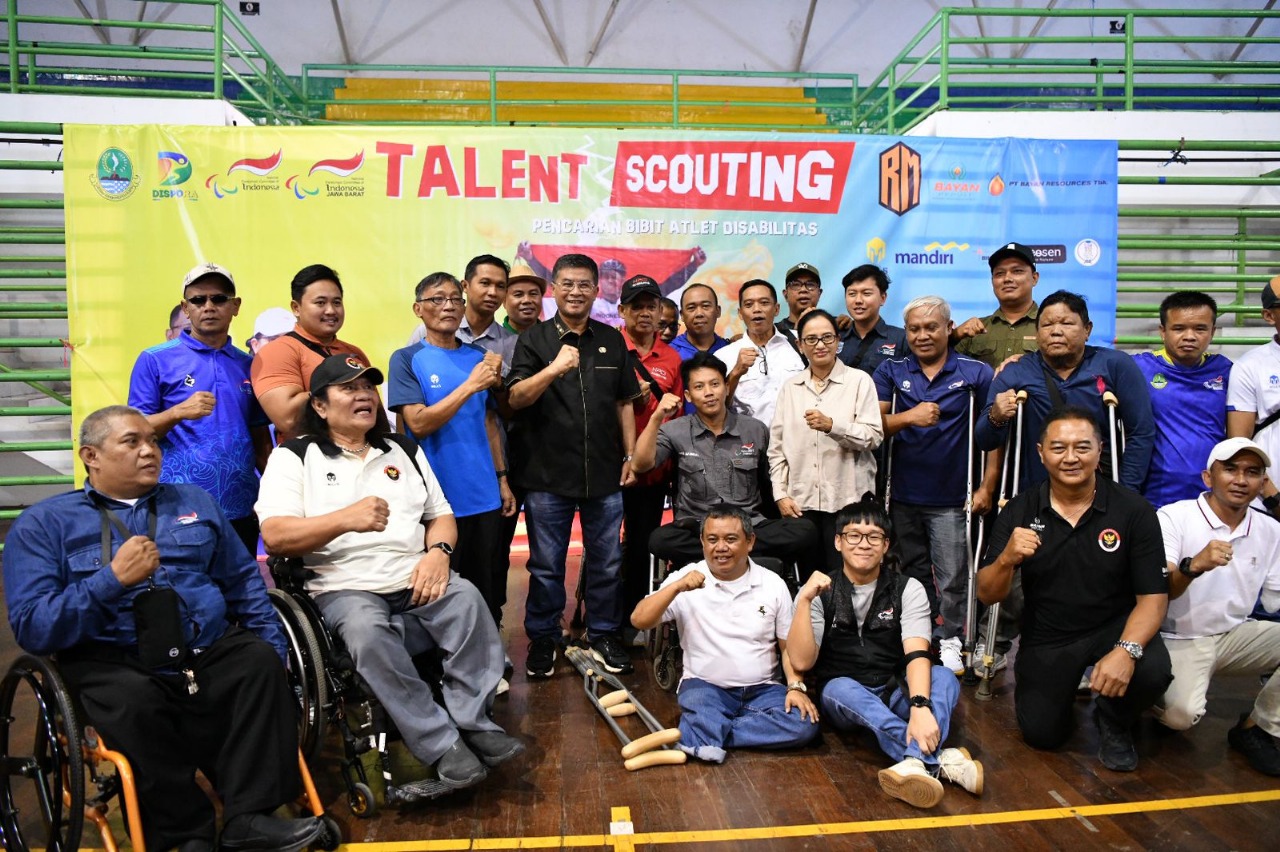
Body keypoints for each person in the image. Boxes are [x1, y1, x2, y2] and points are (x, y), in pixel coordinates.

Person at [4, 406, 321, 852]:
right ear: (91, 456)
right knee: (133, 702)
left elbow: (242, 582)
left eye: (152, 441)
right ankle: (182, 833)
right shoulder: (45, 524)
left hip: (204, 646)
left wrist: (275, 648)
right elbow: (34, 627)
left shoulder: (194, 501)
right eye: (131, 442)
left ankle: (250, 817)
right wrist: (111, 581)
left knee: (258, 664)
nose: (149, 451)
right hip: (114, 658)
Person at [256, 356, 523, 793]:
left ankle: (474, 723)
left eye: (368, 387)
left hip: (413, 573)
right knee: (366, 632)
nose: (363, 395)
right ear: (320, 405)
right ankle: (440, 742)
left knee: (469, 601)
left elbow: (441, 515)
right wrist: (344, 519)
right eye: (348, 388)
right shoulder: (294, 456)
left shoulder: (402, 449)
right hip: (344, 585)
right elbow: (276, 535)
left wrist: (438, 552)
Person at [977, 406, 1172, 771]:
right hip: (1049, 633)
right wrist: (1006, 559)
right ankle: (1062, 696)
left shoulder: (1134, 510)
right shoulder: (1020, 509)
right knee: (1042, 734)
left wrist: (1126, 652)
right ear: (1041, 453)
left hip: (1114, 626)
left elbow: (1153, 599)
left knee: (1153, 671)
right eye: (1059, 448)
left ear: (1100, 450)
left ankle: (1114, 718)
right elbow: (988, 594)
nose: (1071, 458)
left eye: (1082, 447)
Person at [787, 497, 983, 808]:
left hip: (895, 688)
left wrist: (919, 705)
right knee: (840, 688)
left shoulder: (908, 588)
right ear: (838, 542)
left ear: (886, 544)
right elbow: (801, 661)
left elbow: (917, 653)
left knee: (944, 676)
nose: (863, 544)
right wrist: (805, 601)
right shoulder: (821, 590)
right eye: (854, 535)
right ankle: (935, 759)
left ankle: (915, 763)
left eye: (874, 536)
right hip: (844, 693)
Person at [506, 253, 642, 677]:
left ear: (597, 290)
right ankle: (544, 637)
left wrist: (630, 456)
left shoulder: (612, 339)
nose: (576, 292)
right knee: (546, 565)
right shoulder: (534, 340)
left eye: (584, 284)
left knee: (607, 561)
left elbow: (624, 403)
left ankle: (603, 634)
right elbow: (516, 398)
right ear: (554, 289)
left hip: (604, 472)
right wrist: (554, 368)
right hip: (547, 474)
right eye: (567, 283)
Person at [630, 506, 820, 763]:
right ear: (702, 542)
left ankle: (707, 733)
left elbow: (787, 647)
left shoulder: (772, 583)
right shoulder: (685, 579)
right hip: (705, 686)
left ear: (750, 542)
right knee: (700, 702)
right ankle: (711, 729)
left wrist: (795, 686)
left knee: (804, 724)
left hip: (763, 690)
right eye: (712, 539)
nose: (721, 547)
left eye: (731, 539)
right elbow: (639, 620)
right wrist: (675, 588)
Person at [872, 296, 997, 674]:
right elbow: (874, 427)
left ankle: (953, 638)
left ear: (949, 328)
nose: (922, 335)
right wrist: (910, 417)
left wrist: (988, 486)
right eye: (914, 329)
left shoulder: (976, 373)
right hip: (903, 495)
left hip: (953, 496)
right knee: (913, 574)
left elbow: (994, 432)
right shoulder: (891, 370)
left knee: (953, 575)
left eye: (931, 327)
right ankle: (922, 634)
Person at [388, 272, 516, 632]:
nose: (447, 306)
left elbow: (489, 421)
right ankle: (440, 656)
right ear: (418, 309)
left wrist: (502, 479)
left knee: (486, 587)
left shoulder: (480, 356)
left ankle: (488, 652)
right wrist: (470, 385)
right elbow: (418, 423)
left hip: (484, 494)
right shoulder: (406, 358)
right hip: (434, 500)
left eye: (454, 300)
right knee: (437, 590)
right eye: (436, 299)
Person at [1153, 437, 1280, 776]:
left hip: (1234, 635)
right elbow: (1160, 591)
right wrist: (1193, 566)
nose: (1241, 480)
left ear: (1262, 483)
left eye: (1252, 472)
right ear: (1208, 477)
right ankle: (1141, 697)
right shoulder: (1173, 516)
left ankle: (1256, 727)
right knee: (1180, 718)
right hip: (1176, 637)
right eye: (1230, 469)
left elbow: (1274, 601)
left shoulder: (1270, 529)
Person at [128, 262, 272, 556]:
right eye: (198, 300)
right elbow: (134, 433)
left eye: (219, 299)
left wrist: (275, 496)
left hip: (240, 507)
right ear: (186, 307)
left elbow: (260, 440)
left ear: (235, 306)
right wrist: (176, 412)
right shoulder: (154, 360)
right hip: (177, 509)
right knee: (183, 584)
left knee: (239, 584)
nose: (208, 307)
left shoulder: (249, 364)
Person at [634, 352, 820, 571]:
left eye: (715, 384)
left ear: (727, 387)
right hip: (697, 527)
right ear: (688, 396)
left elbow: (771, 479)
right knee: (659, 540)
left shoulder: (755, 429)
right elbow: (640, 465)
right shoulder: (675, 430)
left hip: (749, 524)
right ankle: (740, 552)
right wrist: (657, 416)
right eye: (699, 387)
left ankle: (728, 549)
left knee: (805, 530)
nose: (709, 392)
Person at [977, 290, 1154, 493]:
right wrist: (995, 417)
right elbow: (984, 440)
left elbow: (1141, 432)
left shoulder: (1114, 365)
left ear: (1087, 329)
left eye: (1067, 323)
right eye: (1047, 325)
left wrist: (1126, 492)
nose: (1056, 331)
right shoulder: (1016, 372)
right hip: (1037, 494)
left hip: (1100, 491)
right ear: (1037, 333)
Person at [768, 310, 883, 571]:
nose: (820, 345)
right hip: (801, 502)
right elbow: (777, 450)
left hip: (848, 500)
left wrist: (833, 426)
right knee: (811, 578)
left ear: (838, 341)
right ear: (800, 345)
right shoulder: (790, 388)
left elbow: (873, 436)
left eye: (827, 338)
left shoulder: (859, 381)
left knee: (848, 576)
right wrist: (780, 494)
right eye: (811, 339)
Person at [617, 275, 685, 621]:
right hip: (609, 467)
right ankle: (605, 620)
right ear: (622, 311)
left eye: (651, 307)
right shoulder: (608, 347)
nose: (645, 313)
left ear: (660, 311)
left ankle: (634, 617)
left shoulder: (672, 358)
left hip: (653, 471)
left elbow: (678, 416)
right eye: (637, 307)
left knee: (642, 543)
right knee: (604, 546)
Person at [251, 263, 371, 443]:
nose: (331, 310)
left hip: (363, 454)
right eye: (320, 303)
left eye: (337, 302)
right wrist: (340, 390)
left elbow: (375, 416)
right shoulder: (276, 351)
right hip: (310, 456)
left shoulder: (354, 353)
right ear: (296, 308)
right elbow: (288, 420)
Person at [1134, 291, 1231, 508]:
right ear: (1163, 331)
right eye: (1179, 328)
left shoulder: (1225, 370)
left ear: (1213, 331)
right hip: (1155, 496)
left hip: (1213, 496)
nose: (1189, 336)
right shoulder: (1139, 367)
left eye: (1200, 329)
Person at [716, 280, 805, 427]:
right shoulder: (724, 356)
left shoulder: (800, 343)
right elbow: (716, 410)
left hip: (796, 436)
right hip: (748, 439)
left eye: (764, 303)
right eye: (749, 304)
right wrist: (735, 373)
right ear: (740, 313)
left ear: (776, 309)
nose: (757, 309)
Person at [1226, 275, 1280, 511]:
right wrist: (1272, 498)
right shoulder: (1250, 366)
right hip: (1268, 505)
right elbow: (1240, 445)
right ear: (1269, 315)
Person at [954, 242, 1041, 368]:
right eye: (1000, 273)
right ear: (992, 281)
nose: (1007, 279)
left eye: (1017, 271)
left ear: (1034, 278)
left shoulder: (1051, 327)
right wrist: (955, 335)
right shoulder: (975, 330)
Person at [837, 264, 907, 377]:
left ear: (883, 298)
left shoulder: (902, 339)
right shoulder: (835, 336)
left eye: (866, 293)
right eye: (852, 294)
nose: (858, 300)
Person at [670, 282, 729, 361]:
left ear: (718, 311)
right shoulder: (669, 352)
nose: (699, 313)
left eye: (705, 306)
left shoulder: (731, 350)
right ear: (682, 315)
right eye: (691, 307)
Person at [777, 263, 823, 339]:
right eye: (796, 284)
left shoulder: (834, 326)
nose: (803, 290)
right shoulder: (774, 332)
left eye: (810, 284)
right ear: (786, 295)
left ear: (819, 293)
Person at [502, 261, 546, 335]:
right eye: (518, 294)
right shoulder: (491, 339)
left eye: (533, 294)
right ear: (504, 301)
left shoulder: (555, 338)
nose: (527, 300)